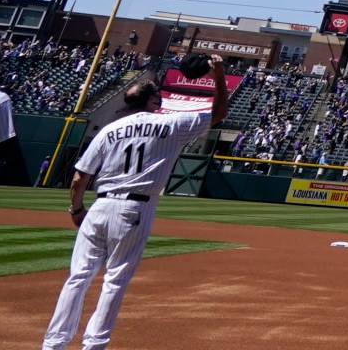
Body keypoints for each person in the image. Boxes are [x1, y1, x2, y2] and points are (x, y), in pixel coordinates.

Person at [45, 55, 231, 350]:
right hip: (134, 209)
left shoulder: (109, 129)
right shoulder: (172, 124)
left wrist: (77, 210)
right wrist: (219, 73)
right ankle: (94, 345)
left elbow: (80, 178)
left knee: (78, 277)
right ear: (154, 101)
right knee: (115, 280)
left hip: (99, 206)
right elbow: (219, 112)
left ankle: (53, 344)